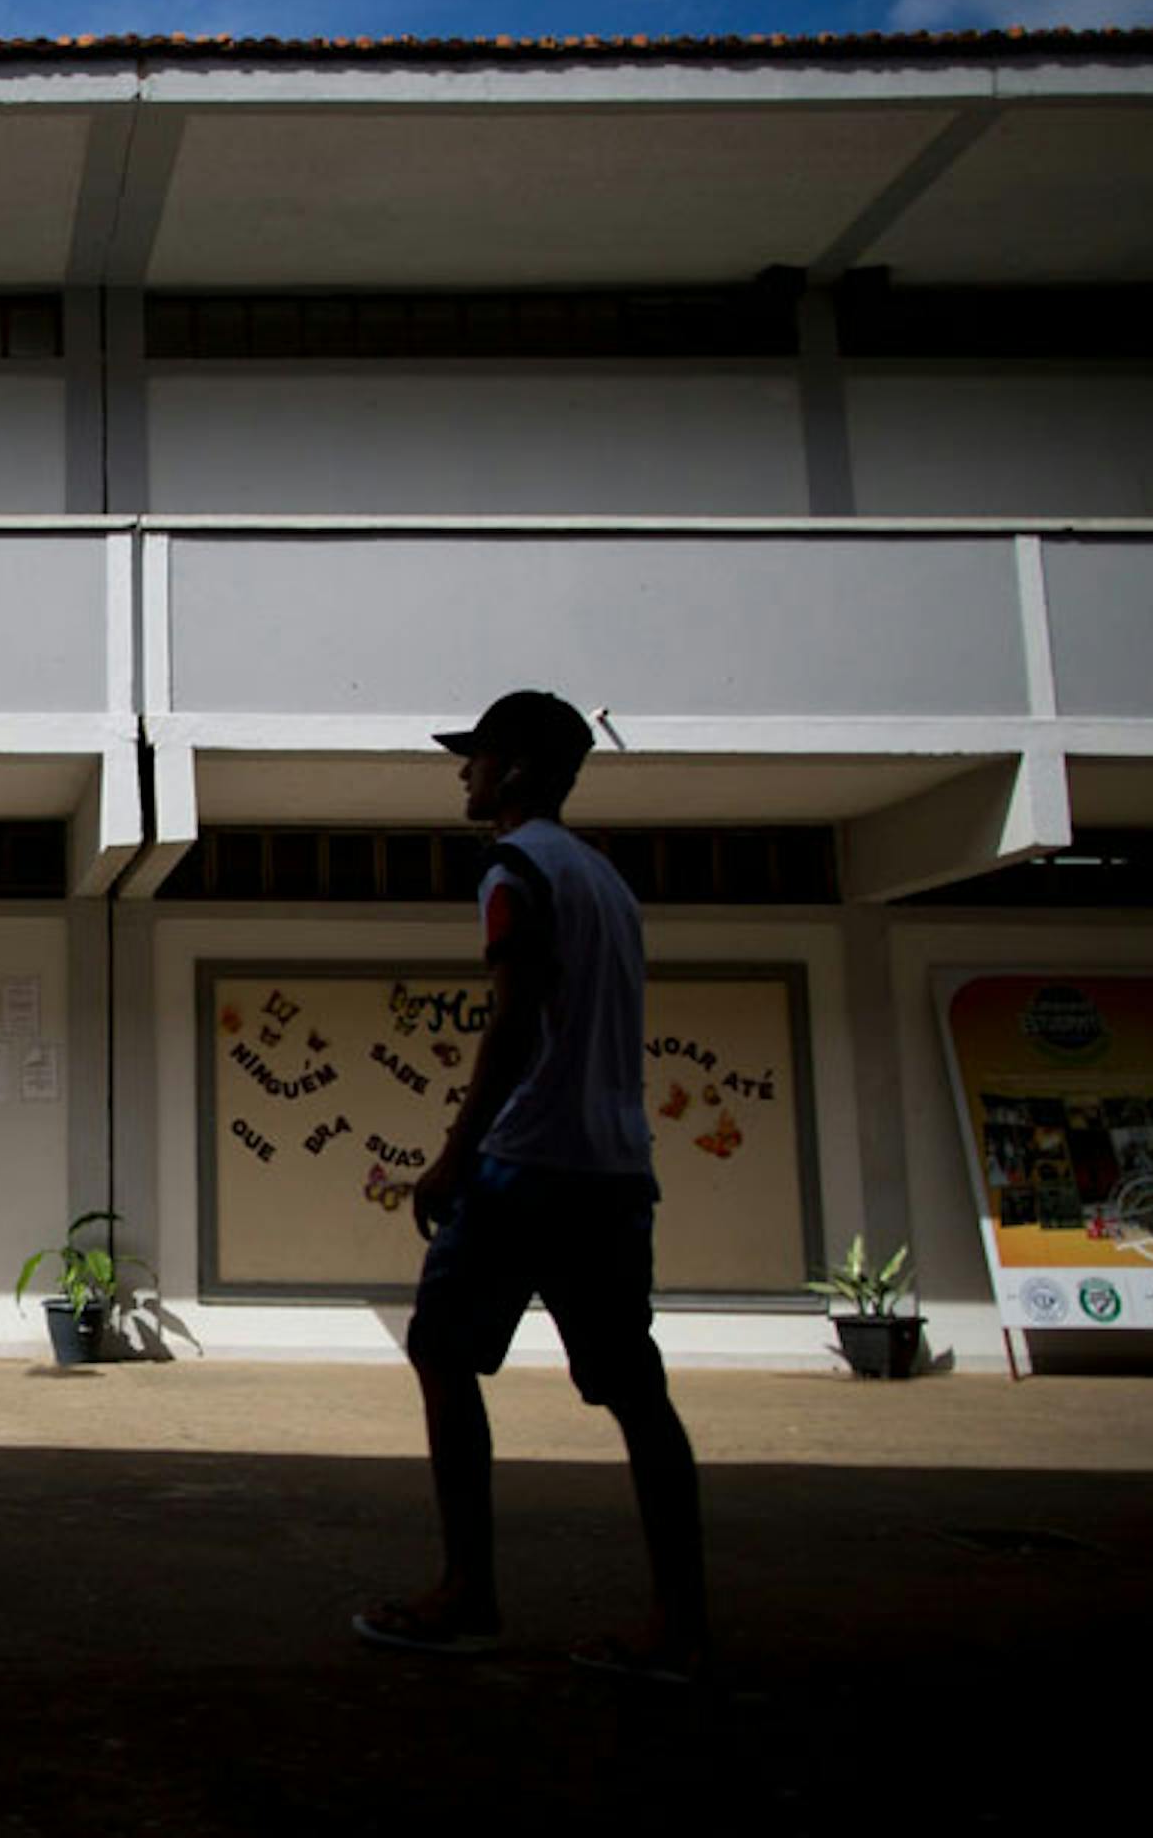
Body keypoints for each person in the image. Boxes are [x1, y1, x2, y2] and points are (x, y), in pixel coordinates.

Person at [355, 689, 710, 1685]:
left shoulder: (514, 870)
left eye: (474, 759)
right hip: (615, 1169)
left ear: (511, 771)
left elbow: (515, 1022)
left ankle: (467, 1595)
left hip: (527, 1166)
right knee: (637, 1394)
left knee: (441, 1350)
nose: (461, 773)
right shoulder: (606, 879)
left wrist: (456, 1155)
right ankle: (681, 1624)